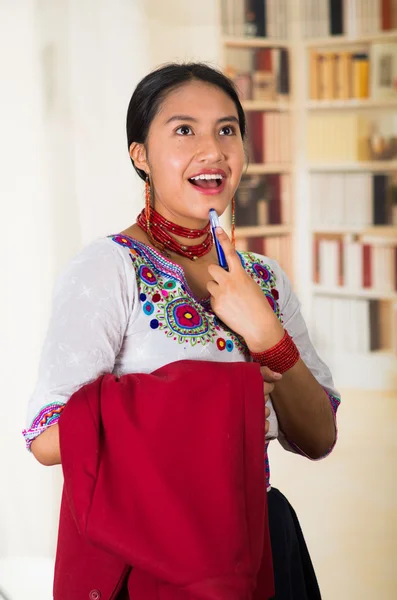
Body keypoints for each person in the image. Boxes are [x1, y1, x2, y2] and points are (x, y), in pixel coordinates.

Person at [24, 62, 341, 599]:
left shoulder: (263, 278)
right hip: (156, 549)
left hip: (262, 534)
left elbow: (318, 439)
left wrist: (266, 331)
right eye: (184, 129)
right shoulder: (108, 268)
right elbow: (49, 437)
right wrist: (208, 395)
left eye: (227, 130)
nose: (212, 149)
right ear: (140, 156)